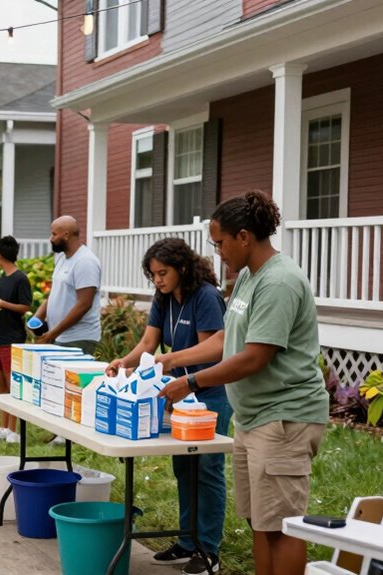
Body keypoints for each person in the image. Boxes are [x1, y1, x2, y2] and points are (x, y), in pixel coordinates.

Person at [157, 191, 329, 575]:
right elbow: (224, 338)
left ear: (244, 237)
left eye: (220, 242)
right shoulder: (249, 277)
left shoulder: (278, 283)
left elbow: (255, 356)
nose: (217, 252)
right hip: (253, 417)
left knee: (283, 525)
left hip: (284, 417)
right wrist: (172, 360)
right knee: (259, 519)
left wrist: (192, 383)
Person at [106, 238, 230, 574]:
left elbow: (212, 350)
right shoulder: (164, 297)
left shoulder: (205, 296)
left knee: (207, 469)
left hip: (209, 393)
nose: (158, 280)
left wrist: (170, 359)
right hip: (178, 393)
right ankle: (187, 541)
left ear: (183, 268)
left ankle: (208, 551)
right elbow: (149, 341)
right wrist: (124, 360)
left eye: (163, 273)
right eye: (153, 274)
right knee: (183, 468)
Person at [0, 236, 32, 446]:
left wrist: (4, 303)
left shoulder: (20, 278)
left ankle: (14, 429)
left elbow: (26, 306)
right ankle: (3, 427)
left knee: (13, 385)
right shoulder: (1, 278)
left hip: (12, 339)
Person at [33, 216, 102, 355]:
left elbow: (84, 304)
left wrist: (51, 334)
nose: (51, 238)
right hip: (61, 337)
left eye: (54, 234)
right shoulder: (62, 258)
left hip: (79, 339)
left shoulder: (85, 261)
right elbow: (55, 293)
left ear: (66, 235)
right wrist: (37, 317)